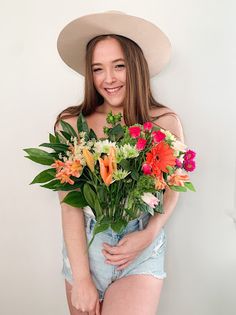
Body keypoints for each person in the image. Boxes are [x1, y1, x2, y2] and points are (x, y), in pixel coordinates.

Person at [54, 11, 184, 315]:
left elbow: (174, 188)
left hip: (140, 251)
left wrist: (150, 232)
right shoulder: (71, 124)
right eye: (98, 69)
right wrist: (82, 279)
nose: (108, 79)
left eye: (119, 66)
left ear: (135, 67)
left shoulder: (165, 122)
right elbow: (69, 206)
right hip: (85, 253)